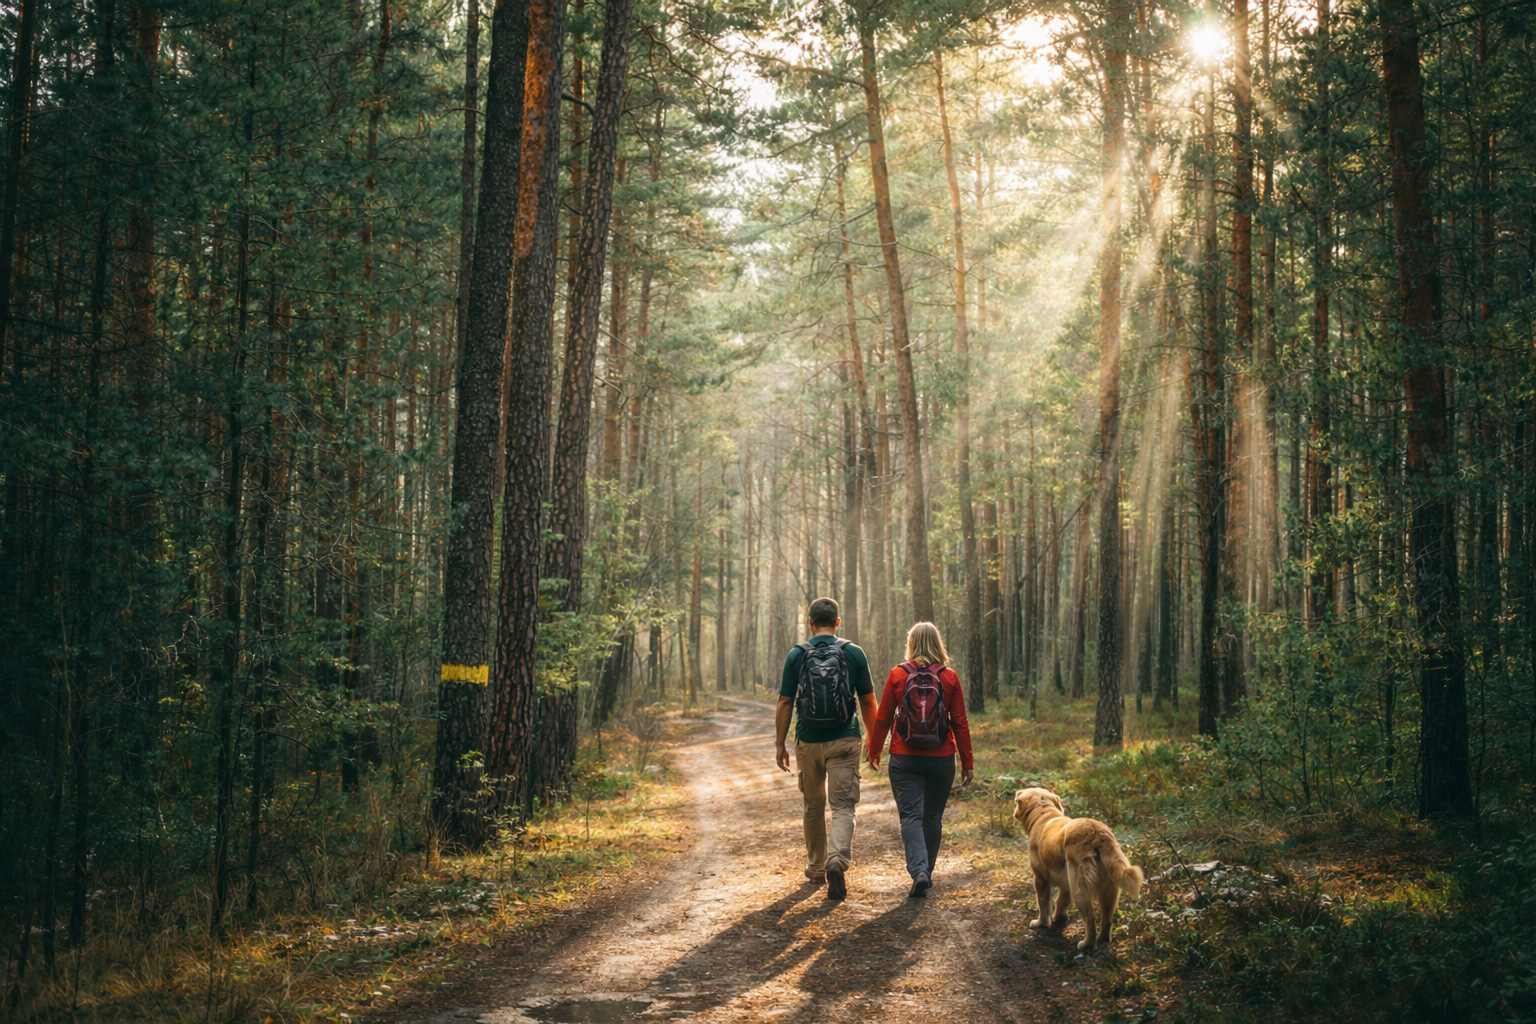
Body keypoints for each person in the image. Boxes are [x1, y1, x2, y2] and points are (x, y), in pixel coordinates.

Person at [774, 597, 877, 900]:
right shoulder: (853, 652)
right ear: (837, 622)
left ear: (810, 622)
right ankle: (837, 860)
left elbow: (785, 702)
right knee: (844, 806)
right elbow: (868, 701)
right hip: (845, 740)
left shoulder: (797, 655)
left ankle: (817, 866)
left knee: (813, 805)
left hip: (808, 742)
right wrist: (873, 739)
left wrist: (780, 743)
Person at [865, 621, 974, 898]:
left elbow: (883, 717)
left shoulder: (898, 675)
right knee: (933, 817)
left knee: (911, 816)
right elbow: (960, 722)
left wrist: (874, 751)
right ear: (938, 643)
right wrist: (967, 762)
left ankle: (919, 871)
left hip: (905, 758)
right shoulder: (949, 677)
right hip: (941, 759)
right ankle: (927, 871)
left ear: (911, 643)